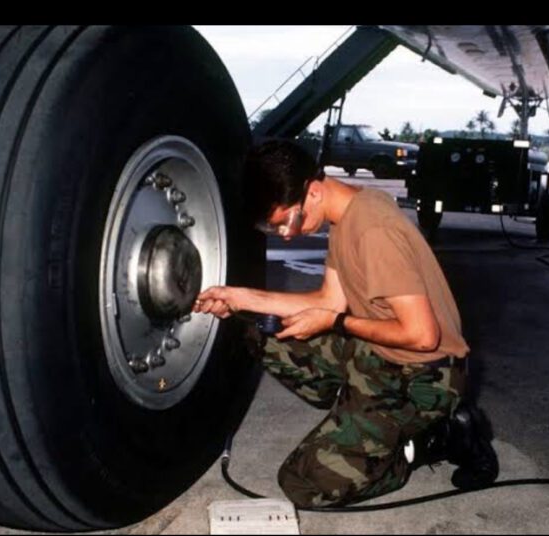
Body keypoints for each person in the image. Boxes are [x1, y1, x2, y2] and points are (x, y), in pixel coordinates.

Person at [193, 139, 477, 508]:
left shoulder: (374, 230)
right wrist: (239, 298)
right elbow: (327, 301)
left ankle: (429, 441)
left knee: (302, 485)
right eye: (276, 228)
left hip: (424, 377)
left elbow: (422, 336)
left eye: (287, 221)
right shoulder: (348, 214)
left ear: (312, 191)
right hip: (379, 353)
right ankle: (356, 412)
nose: (287, 235)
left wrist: (338, 323)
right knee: (256, 327)